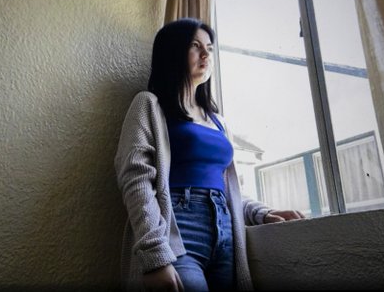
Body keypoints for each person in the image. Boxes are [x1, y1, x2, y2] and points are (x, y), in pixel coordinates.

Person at [114, 17, 305, 292]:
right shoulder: (148, 105)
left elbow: (227, 189)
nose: (206, 54)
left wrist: (262, 213)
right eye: (195, 46)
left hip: (225, 235)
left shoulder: (218, 121)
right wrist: (154, 254)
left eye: (210, 48)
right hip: (176, 231)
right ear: (173, 52)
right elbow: (135, 180)